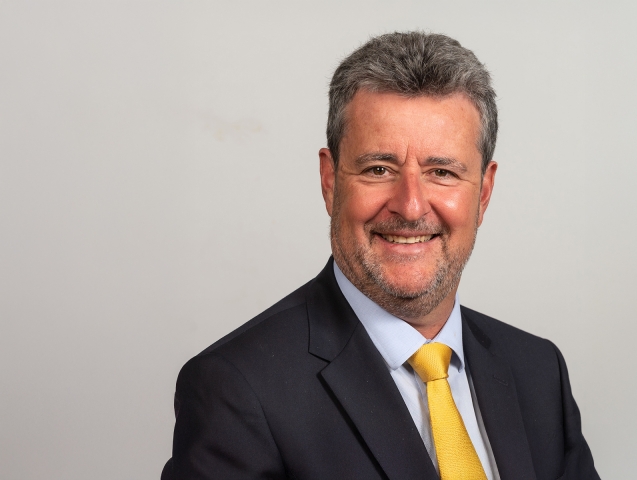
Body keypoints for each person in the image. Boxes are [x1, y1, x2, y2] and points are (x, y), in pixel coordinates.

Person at [162, 31, 600, 480]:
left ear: (483, 193)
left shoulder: (538, 372)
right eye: (379, 169)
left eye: (442, 172)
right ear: (330, 180)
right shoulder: (238, 389)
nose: (410, 206)